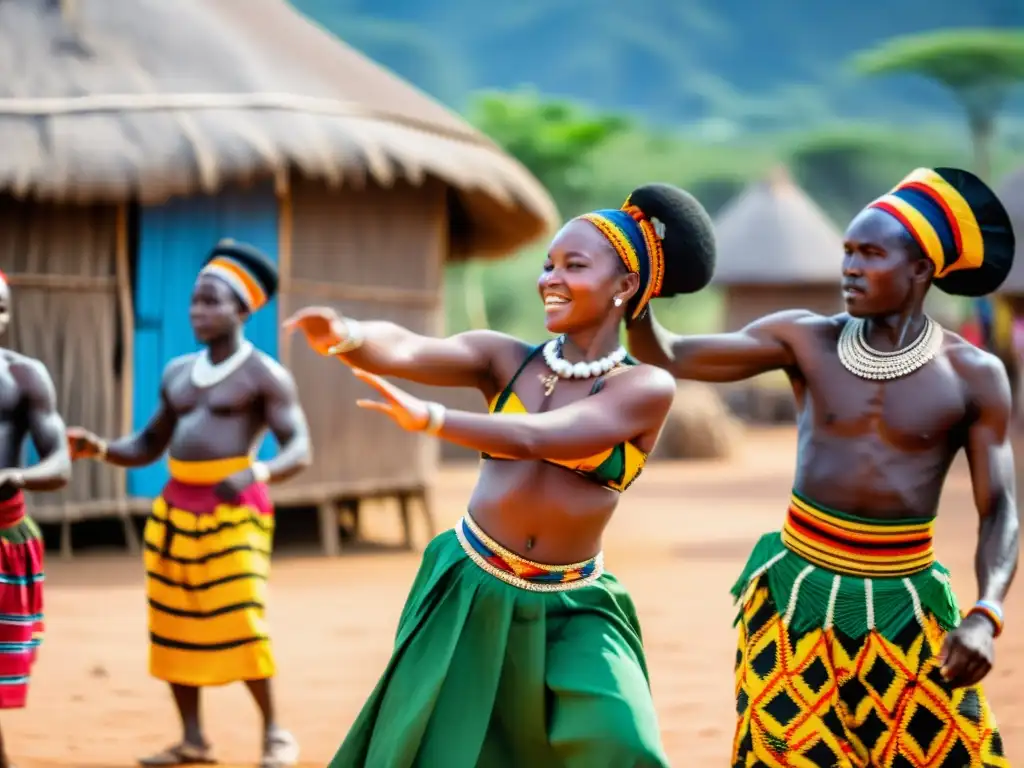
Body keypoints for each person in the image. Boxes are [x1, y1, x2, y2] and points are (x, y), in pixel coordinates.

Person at [286, 183, 717, 767]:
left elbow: (541, 436)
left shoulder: (642, 388)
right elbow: (409, 349)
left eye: (574, 265)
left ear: (624, 287)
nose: (550, 278)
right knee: (438, 753)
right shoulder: (504, 360)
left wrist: (432, 419)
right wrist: (349, 335)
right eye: (547, 264)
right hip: (470, 588)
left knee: (624, 744)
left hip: (575, 603)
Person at [627, 167, 1017, 767]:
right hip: (797, 599)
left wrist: (986, 615)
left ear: (920, 270)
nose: (850, 267)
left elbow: (1001, 512)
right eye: (847, 252)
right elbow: (671, 353)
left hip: (907, 606)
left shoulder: (973, 375)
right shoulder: (806, 339)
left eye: (870, 253)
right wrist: (638, 294)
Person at [67, 241, 313, 768]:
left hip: (235, 510)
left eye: (211, 301)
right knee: (173, 621)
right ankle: (193, 739)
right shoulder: (178, 371)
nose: (197, 311)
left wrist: (258, 470)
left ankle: (275, 734)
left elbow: (300, 448)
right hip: (175, 510)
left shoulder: (264, 374)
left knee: (241, 615)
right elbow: (149, 444)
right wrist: (101, 448)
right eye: (194, 301)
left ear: (243, 309)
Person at [0, 271, 72, 768]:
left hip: (3, 532)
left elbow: (60, 462)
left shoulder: (24, 376)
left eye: (1, 308)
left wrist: (17, 476)